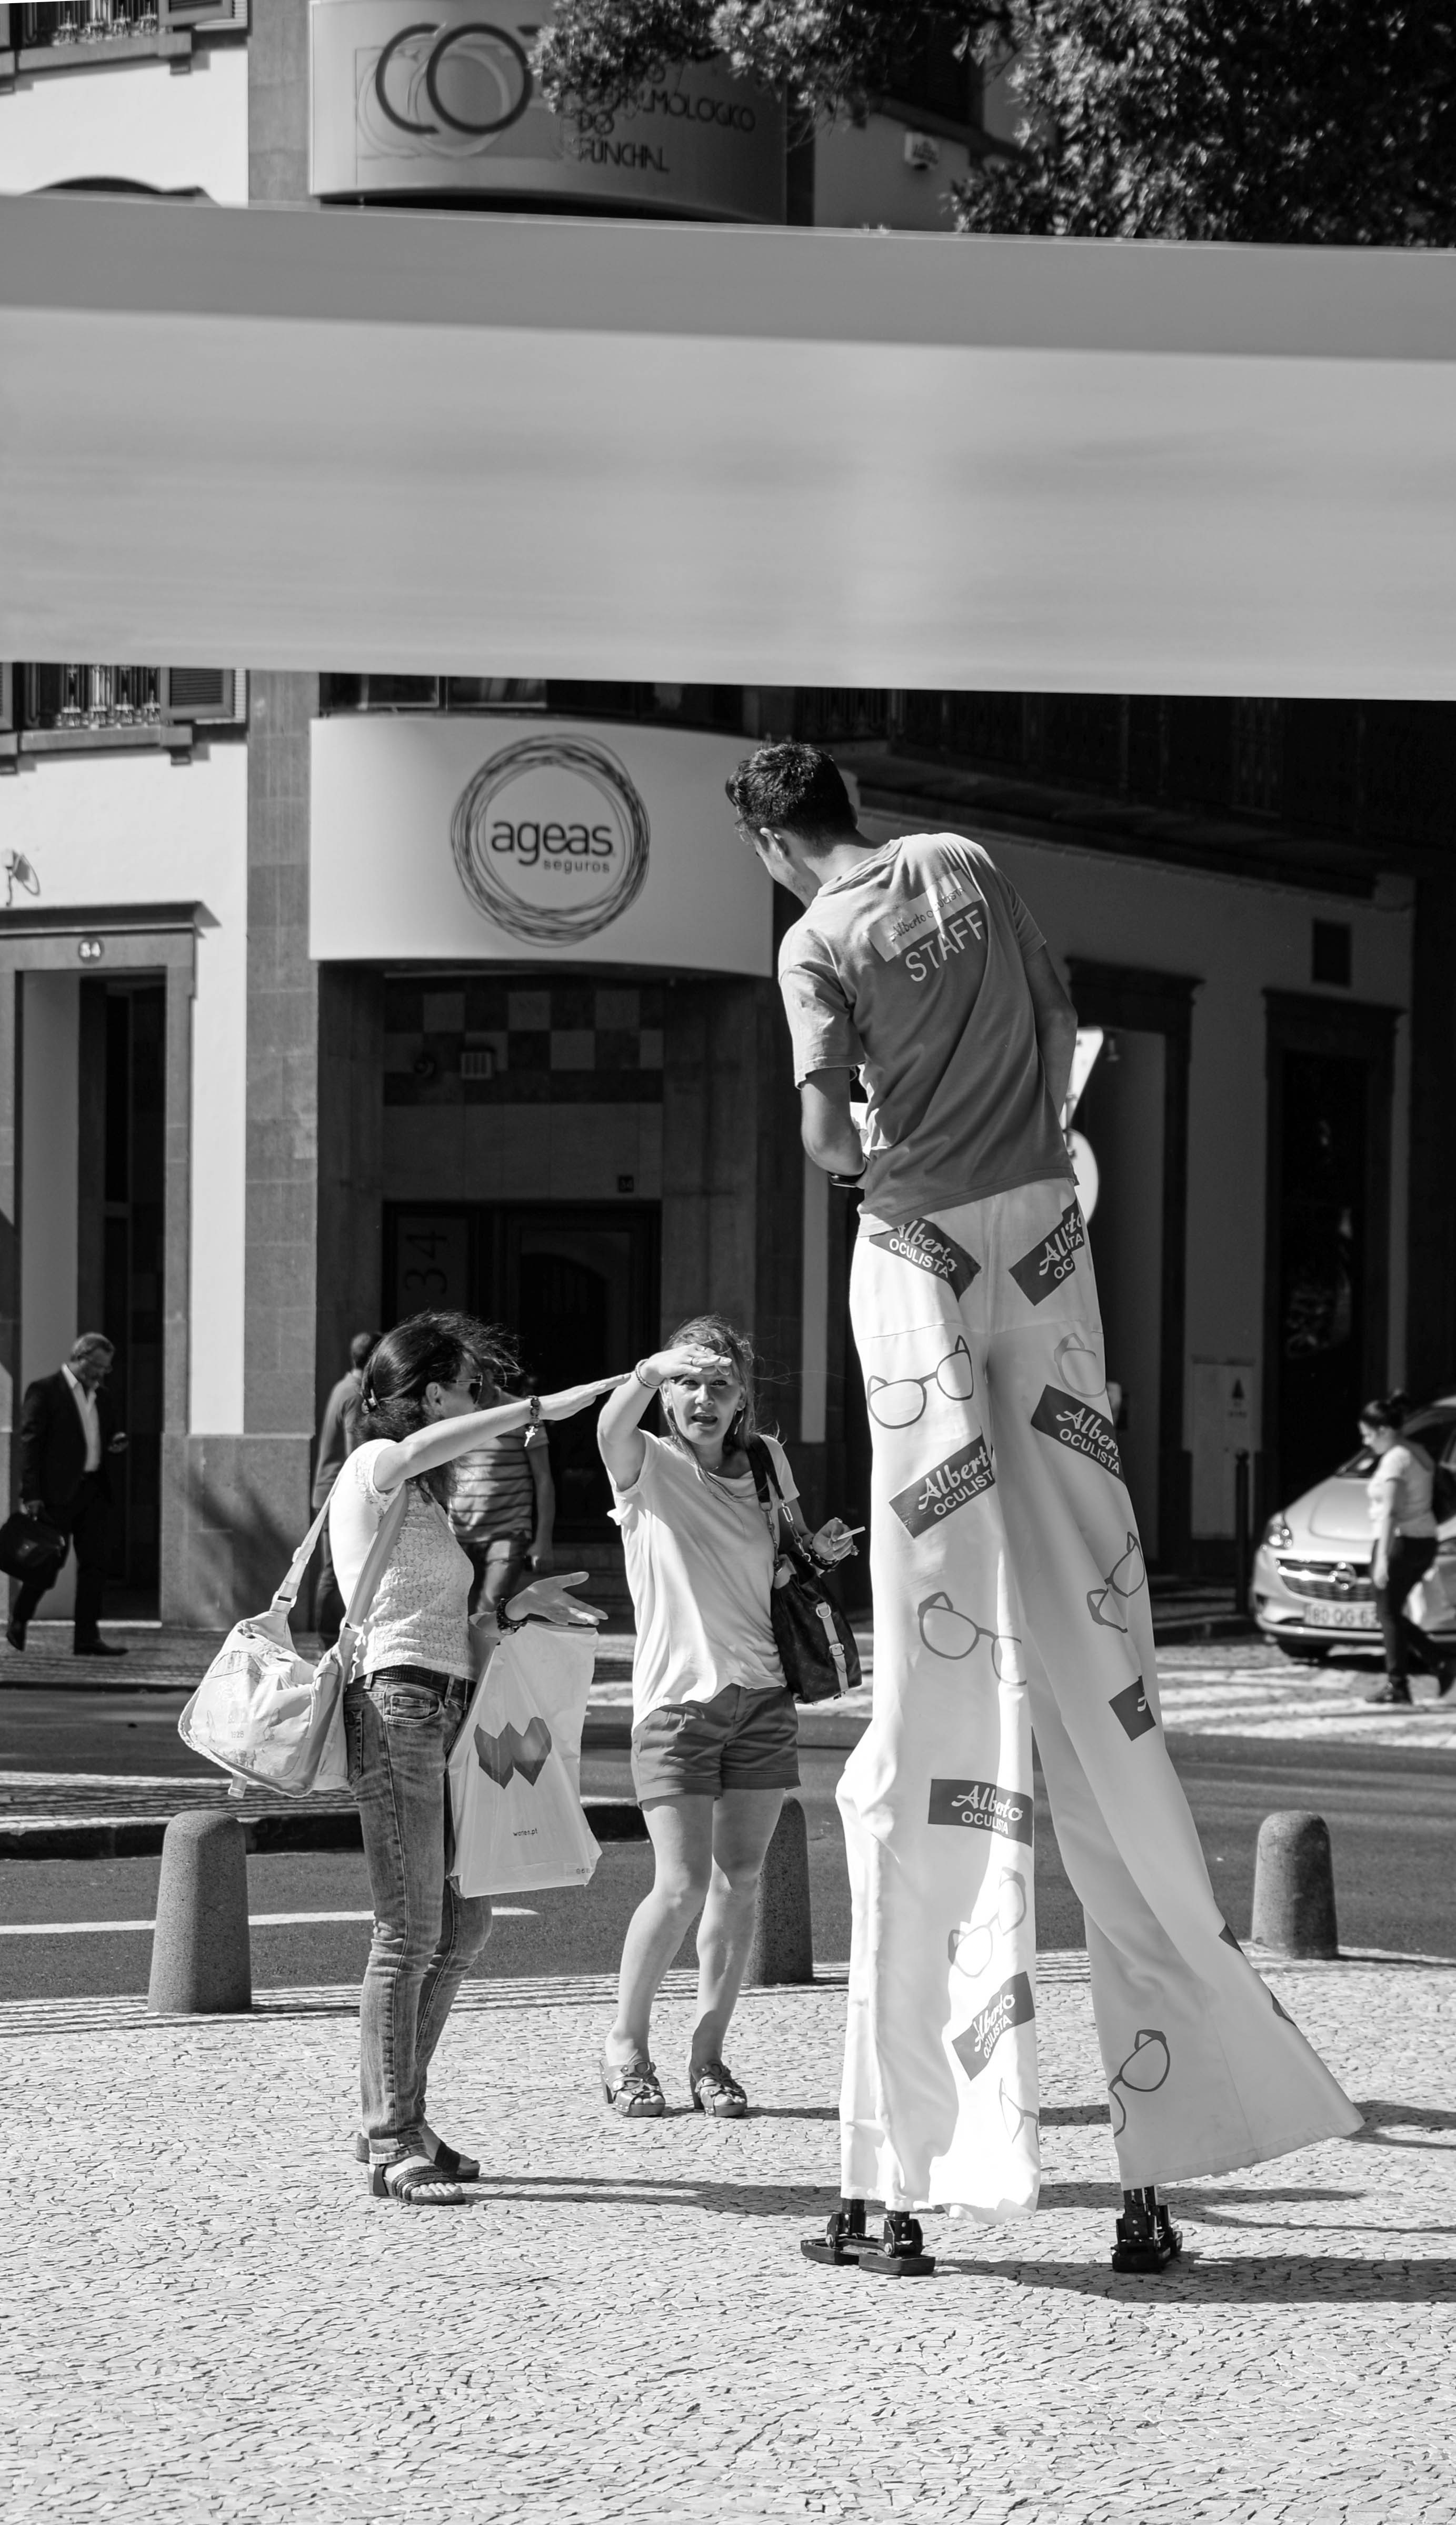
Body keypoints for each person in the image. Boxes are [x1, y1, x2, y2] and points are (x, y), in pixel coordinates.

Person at [728, 740, 1361, 2276]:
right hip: (1045, 1247)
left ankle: (908, 2177)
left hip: (923, 1251)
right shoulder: (963, 862)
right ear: (848, 803)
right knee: (1102, 1682)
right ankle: (1167, 2157)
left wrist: (881, 1164)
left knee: (936, 1713)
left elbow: (827, 1134)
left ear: (767, 836)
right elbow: (1066, 1018)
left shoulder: (813, 941)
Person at [331, 1307, 624, 2205]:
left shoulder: (421, 1498)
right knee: (409, 1929)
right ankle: (391, 2137)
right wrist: (537, 1407)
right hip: (399, 1709)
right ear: (423, 1397)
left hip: (447, 1708)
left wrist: (515, 1606)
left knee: (461, 1926)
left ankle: (402, 2113)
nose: (478, 1401)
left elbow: (450, 1623)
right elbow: (405, 1631)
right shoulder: (378, 1466)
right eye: (466, 1387)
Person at [596, 1313, 857, 2119]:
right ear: (665, 1391)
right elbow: (607, 1426)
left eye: (718, 1384)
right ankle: (625, 2046)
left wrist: (817, 1548)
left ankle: (708, 2055)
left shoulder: (767, 1460)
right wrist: (646, 1367)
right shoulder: (645, 1463)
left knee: (739, 1880)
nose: (702, 1399)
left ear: (741, 1394)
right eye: (687, 1383)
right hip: (676, 1702)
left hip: (763, 1694)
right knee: (676, 1885)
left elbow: (780, 1557)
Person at [8, 1332, 128, 1658]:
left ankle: (87, 1638)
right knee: (47, 1564)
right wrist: (31, 1493)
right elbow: (30, 1444)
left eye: (106, 1368)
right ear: (80, 1357)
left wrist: (116, 1442)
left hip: (93, 1491)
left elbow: (108, 1433)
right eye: (98, 1366)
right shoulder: (45, 1391)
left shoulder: (102, 1397)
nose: (102, 1373)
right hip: (55, 1495)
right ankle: (20, 1618)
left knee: (95, 1566)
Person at [1359, 1393, 1456, 1706]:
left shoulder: (1396, 1459)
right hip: (1424, 1540)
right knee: (1392, 1612)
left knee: (1387, 1612)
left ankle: (1400, 1684)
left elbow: (1390, 1511)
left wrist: (1382, 1559)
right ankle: (1439, 1664)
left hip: (1400, 1541)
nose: (1367, 1442)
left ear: (1385, 1430)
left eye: (1368, 1435)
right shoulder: (1420, 1452)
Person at [448, 1363, 555, 1617]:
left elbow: (544, 1478)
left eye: (475, 1377)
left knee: (488, 1609)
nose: (471, 1385)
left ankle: (487, 1656)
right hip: (460, 1534)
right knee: (458, 1616)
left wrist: (543, 1541)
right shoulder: (452, 1414)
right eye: (462, 1381)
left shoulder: (524, 1413)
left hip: (508, 1531)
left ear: (490, 1373)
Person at [311, 1330, 378, 1646]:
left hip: (330, 1489)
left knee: (334, 1567)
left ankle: (330, 1636)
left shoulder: (343, 1387)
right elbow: (357, 1451)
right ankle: (327, 1638)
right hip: (337, 1493)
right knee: (333, 1569)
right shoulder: (354, 1394)